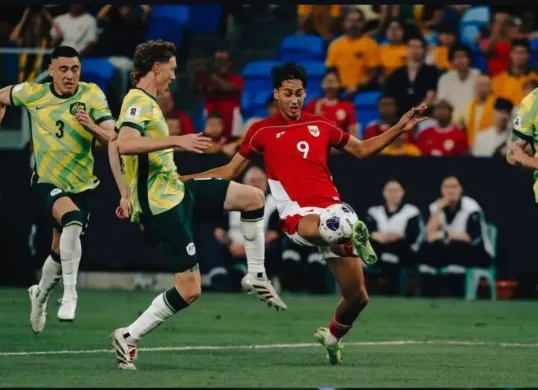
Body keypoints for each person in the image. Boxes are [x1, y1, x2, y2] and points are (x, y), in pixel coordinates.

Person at [180, 62, 427, 365]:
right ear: (276, 94)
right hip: (297, 213)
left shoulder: (321, 125)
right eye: (288, 93)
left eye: (299, 93)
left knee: (358, 297)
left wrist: (401, 126)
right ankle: (349, 231)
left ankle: (332, 337)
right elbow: (229, 171)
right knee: (329, 225)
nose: (294, 99)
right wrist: (184, 180)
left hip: (331, 208)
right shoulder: (261, 131)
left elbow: (362, 150)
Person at [110, 40, 286, 370]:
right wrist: (176, 140)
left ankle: (256, 275)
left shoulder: (147, 103)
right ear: (157, 68)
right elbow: (125, 144)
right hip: (161, 208)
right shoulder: (137, 100)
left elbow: (111, 142)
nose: (174, 77)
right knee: (189, 290)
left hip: (177, 191)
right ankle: (128, 336)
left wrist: (123, 192)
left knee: (253, 197)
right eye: (172, 69)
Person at [0, 46, 115, 330]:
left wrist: (92, 127)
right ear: (51, 70)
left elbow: (112, 136)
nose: (69, 75)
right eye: (63, 69)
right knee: (72, 220)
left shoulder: (91, 94)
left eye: (75, 69)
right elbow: (1, 96)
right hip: (46, 182)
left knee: (58, 251)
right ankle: (70, 295)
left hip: (83, 186)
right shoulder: (33, 93)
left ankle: (39, 295)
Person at [365, 179, 423, 295]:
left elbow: (410, 236)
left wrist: (388, 236)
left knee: (395, 250)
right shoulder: (375, 211)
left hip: (403, 251)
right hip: (379, 249)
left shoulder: (411, 212)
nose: (393, 194)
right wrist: (387, 236)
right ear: (384, 193)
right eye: (390, 191)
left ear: (402, 192)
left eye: (396, 191)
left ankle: (393, 291)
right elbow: (370, 231)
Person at [304, 70, 358, 136]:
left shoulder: (347, 106)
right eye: (327, 81)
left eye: (333, 81)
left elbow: (353, 134)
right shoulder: (312, 104)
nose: (330, 84)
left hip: (340, 145)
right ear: (321, 84)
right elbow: (304, 129)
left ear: (339, 84)